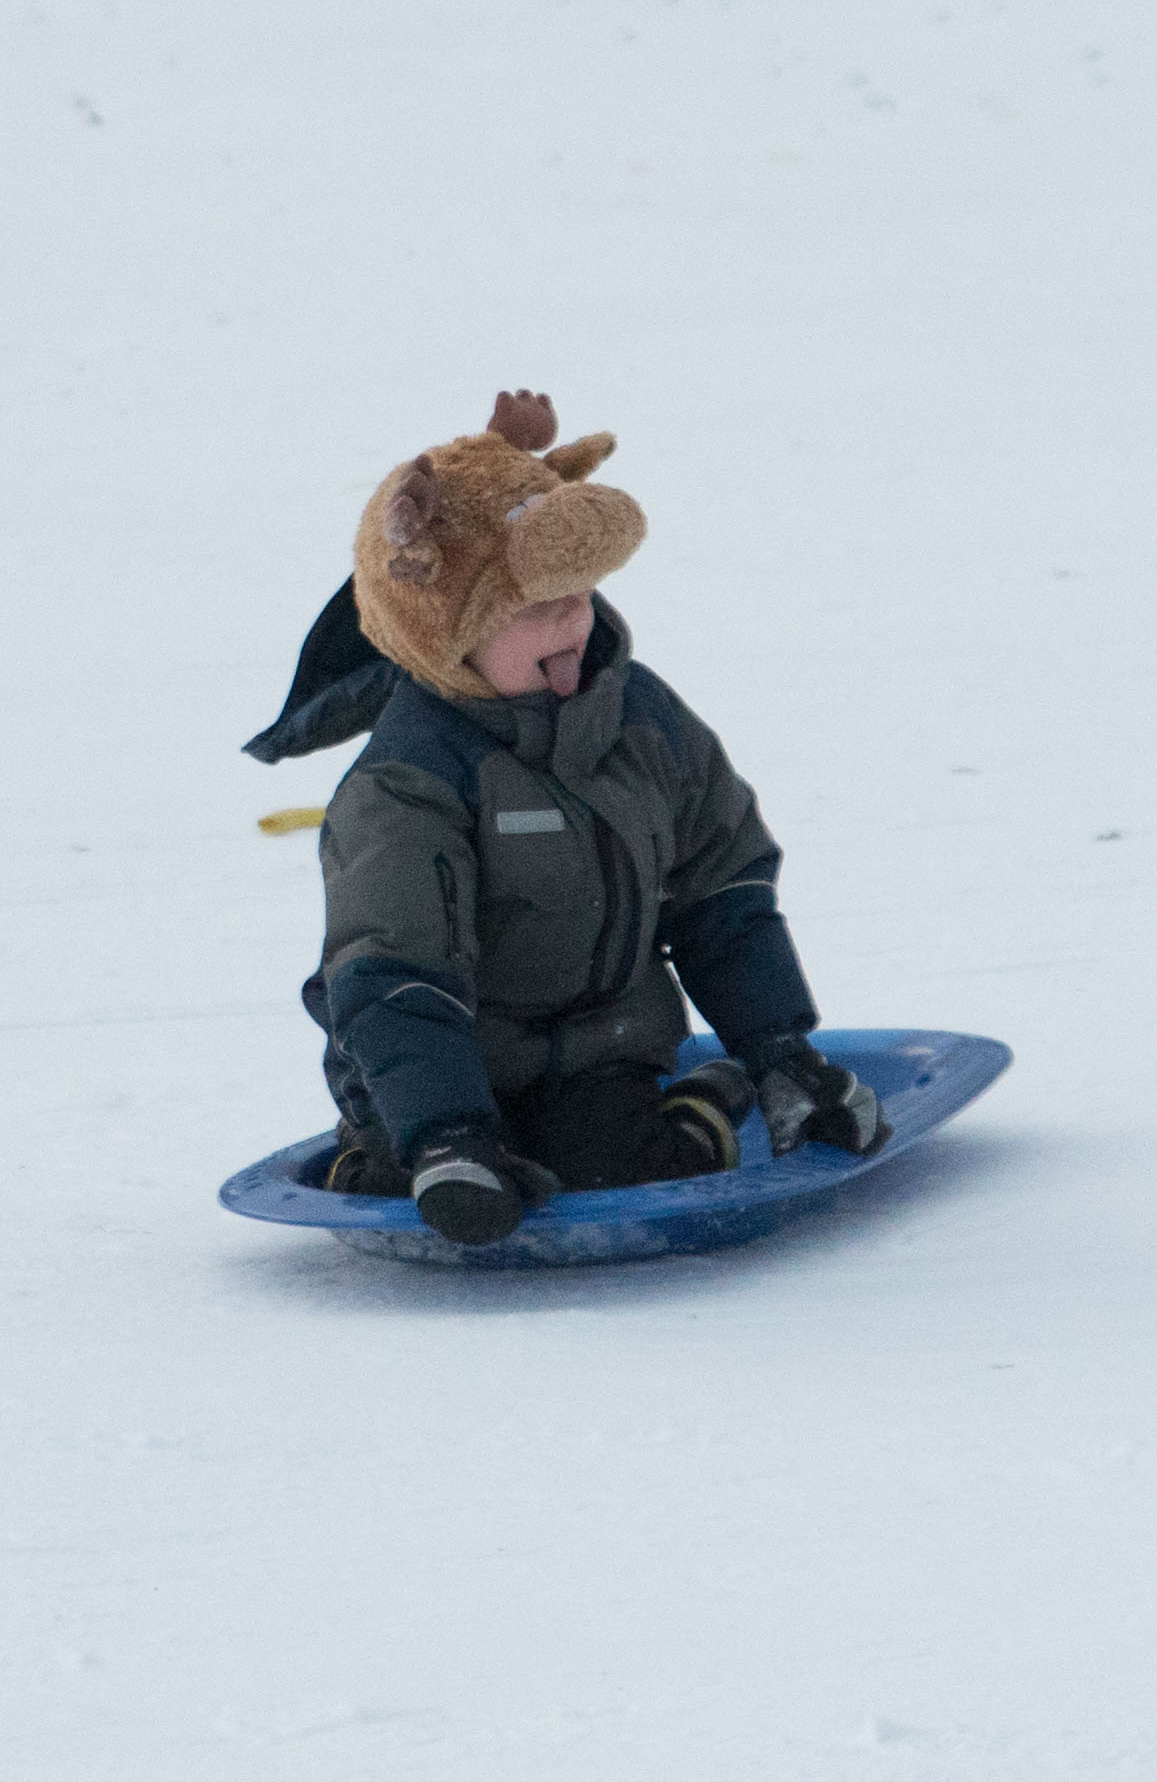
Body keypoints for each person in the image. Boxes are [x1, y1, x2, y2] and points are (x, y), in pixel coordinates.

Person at [240, 389, 888, 1245]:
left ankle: (708, 1100)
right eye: (535, 608)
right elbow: (393, 968)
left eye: (580, 595)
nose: (573, 620)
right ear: (444, 634)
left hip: (599, 1050)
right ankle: (400, 1150)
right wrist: (444, 1133)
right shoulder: (407, 781)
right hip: (427, 1066)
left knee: (619, 1167)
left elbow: (721, 894)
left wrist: (779, 1051)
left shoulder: (640, 721)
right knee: (425, 1187)